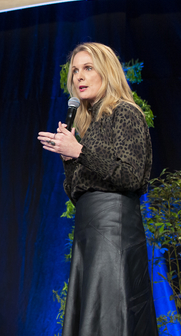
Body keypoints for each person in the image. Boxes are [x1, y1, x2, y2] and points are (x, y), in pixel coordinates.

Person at [38, 43, 158, 336]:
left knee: (112, 318)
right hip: (89, 232)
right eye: (75, 70)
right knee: (92, 318)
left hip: (114, 232)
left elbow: (131, 177)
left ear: (107, 72)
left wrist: (80, 152)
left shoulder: (125, 113)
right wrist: (69, 159)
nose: (79, 76)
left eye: (88, 68)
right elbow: (78, 192)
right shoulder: (90, 126)